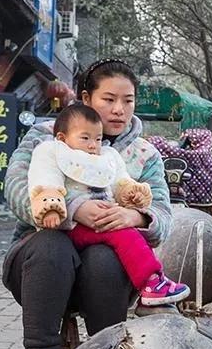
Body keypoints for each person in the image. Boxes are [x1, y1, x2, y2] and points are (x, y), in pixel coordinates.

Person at [3, 60, 175, 349]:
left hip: (108, 277)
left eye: (128, 100)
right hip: (37, 267)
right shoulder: (46, 137)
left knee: (104, 257)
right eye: (108, 99)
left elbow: (164, 218)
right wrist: (72, 209)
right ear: (86, 98)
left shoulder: (144, 154)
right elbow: (14, 189)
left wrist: (133, 215)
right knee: (52, 244)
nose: (119, 110)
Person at [29, 103, 189, 306]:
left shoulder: (107, 157)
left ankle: (152, 283)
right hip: (71, 227)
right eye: (85, 138)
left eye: (97, 139)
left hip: (102, 219)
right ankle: (151, 282)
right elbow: (45, 179)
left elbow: (119, 181)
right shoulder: (51, 151)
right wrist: (51, 206)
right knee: (125, 236)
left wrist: (132, 194)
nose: (92, 145)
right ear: (62, 138)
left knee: (129, 234)